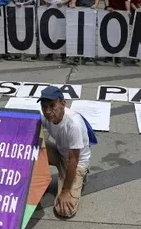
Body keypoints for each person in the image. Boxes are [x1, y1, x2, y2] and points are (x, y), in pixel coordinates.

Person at [37, 86, 93, 219]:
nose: (48, 111)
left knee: (64, 210)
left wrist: (65, 191)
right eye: (44, 107)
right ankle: (34, 182)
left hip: (75, 162)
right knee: (33, 145)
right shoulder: (46, 115)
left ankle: (81, 177)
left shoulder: (73, 124)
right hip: (60, 152)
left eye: (52, 106)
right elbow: (26, 121)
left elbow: (74, 159)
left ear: (63, 103)